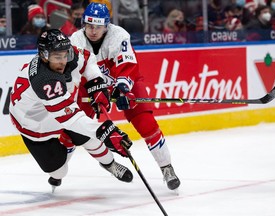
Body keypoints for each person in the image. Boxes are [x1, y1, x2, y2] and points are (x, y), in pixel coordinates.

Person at [70, 3, 180, 190]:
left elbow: (127, 66)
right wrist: (95, 90)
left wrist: (122, 89)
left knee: (146, 123)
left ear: (107, 25)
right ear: (83, 24)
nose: (93, 31)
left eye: (98, 26)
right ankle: (108, 163)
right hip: (90, 87)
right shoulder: (76, 40)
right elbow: (75, 72)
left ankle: (166, 167)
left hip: (125, 82)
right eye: (89, 25)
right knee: (76, 128)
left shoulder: (119, 35)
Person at [9, 29, 134, 191]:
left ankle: (110, 165)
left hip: (58, 113)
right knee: (60, 171)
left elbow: (88, 59)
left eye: (65, 55)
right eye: (57, 57)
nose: (63, 61)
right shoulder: (45, 80)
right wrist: (105, 131)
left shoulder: (66, 54)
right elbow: (70, 118)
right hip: (34, 126)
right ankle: (60, 160)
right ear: (43, 56)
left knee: (91, 137)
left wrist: (96, 82)